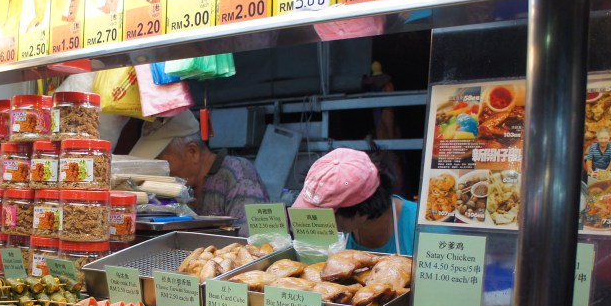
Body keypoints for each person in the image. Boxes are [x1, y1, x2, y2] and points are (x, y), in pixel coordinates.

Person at [127, 110, 269, 224]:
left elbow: (253, 245)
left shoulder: (239, 174)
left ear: (193, 152)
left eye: (162, 163)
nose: (159, 173)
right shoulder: (180, 190)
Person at [292, 148, 417, 255]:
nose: (320, 222)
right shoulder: (343, 229)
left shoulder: (418, 228)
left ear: (361, 212)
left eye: (327, 215)